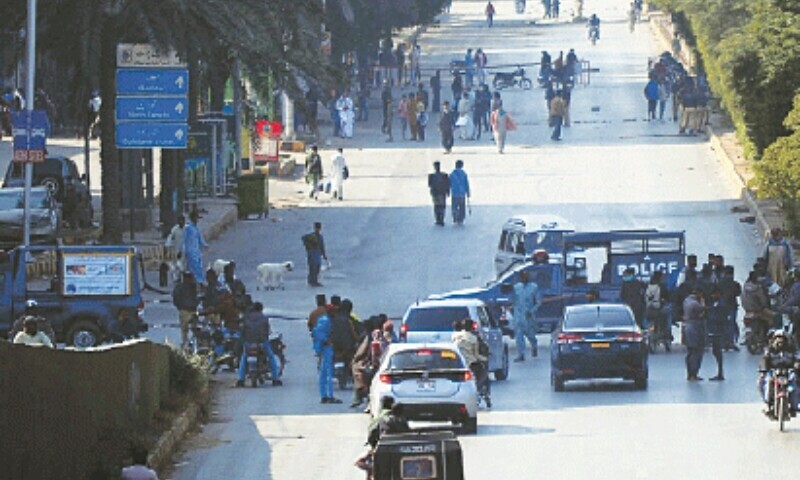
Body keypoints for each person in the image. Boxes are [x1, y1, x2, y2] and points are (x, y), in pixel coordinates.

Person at [236, 302, 283, 387]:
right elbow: (267, 331)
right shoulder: (264, 318)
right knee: (271, 356)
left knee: (244, 358)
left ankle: (240, 379)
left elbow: (242, 331)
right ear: (261, 309)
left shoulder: (246, 317)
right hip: (261, 342)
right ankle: (275, 379)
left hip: (248, 342)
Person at [758, 329, 800, 418]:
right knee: (765, 382)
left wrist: (797, 365)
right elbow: (764, 359)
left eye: (782, 338)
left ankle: (794, 406)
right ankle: (767, 404)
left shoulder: (792, 349)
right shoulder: (769, 349)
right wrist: (763, 371)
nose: (780, 340)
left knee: (794, 384)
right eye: (777, 338)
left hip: (788, 371)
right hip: (773, 371)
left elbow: (797, 358)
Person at [452, 319, 491, 406]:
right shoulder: (473, 338)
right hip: (471, 364)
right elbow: (476, 355)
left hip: (458, 363)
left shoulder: (455, 336)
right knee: (484, 376)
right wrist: (485, 359)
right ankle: (485, 393)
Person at [313, 304, 340, 403]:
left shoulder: (325, 319)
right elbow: (318, 333)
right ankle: (329, 396)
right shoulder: (325, 320)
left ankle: (324, 395)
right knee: (328, 372)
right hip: (326, 348)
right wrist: (327, 341)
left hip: (324, 347)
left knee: (324, 373)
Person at [512, 270, 541, 361]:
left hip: (528, 316)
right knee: (519, 336)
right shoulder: (516, 288)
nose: (525, 278)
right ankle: (521, 354)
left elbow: (538, 302)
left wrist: (532, 311)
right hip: (518, 316)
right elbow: (514, 301)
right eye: (523, 276)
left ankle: (534, 345)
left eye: (527, 276)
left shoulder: (533, 287)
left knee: (530, 335)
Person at [742, 270, 775, 339]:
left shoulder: (745, 286)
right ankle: (768, 336)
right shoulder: (757, 288)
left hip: (747, 310)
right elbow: (763, 300)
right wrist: (764, 306)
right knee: (772, 317)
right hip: (758, 310)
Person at [683, 286, 706, 381]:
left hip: (687, 327)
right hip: (695, 328)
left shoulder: (686, 301)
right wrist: (703, 300)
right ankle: (694, 373)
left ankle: (689, 374)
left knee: (690, 352)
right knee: (697, 352)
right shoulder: (695, 303)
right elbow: (703, 309)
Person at [717, 265, 742, 350]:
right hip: (732, 306)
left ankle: (723, 342)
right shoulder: (735, 284)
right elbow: (738, 293)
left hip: (722, 306)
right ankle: (730, 342)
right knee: (731, 323)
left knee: (723, 324)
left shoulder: (720, 283)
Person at [172, 272, 199, 348]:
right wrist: (180, 307)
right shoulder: (179, 287)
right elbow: (176, 299)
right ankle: (185, 342)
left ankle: (193, 341)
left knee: (194, 328)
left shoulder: (194, 286)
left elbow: (197, 296)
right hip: (184, 310)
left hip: (192, 309)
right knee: (184, 328)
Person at [181, 210, 208, 286]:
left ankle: (197, 281)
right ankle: (200, 281)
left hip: (197, 251)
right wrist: (183, 250)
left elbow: (200, 238)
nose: (197, 220)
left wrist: (205, 245)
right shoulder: (188, 228)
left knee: (198, 266)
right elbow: (183, 239)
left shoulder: (196, 229)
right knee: (195, 267)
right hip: (190, 251)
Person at [705, 288, 727, 381]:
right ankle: (719, 372)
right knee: (716, 351)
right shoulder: (715, 304)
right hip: (714, 330)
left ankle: (720, 373)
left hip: (717, 330)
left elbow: (719, 317)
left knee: (717, 351)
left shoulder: (721, 305)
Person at [302, 222, 328, 287]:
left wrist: (324, 255)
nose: (318, 229)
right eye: (317, 228)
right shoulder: (311, 236)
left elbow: (322, 246)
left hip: (316, 254)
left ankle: (313, 281)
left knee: (317, 267)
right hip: (312, 254)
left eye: (318, 228)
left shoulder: (320, 237)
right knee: (313, 267)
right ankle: (312, 281)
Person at [428, 161, 450, 226]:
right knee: (442, 206)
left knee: (436, 206)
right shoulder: (444, 175)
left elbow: (429, 185)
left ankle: (438, 219)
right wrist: (448, 191)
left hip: (435, 193)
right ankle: (441, 219)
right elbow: (447, 184)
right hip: (442, 193)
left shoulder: (431, 176)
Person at [165, 214, 186, 280]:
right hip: (177, 251)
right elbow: (170, 238)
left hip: (186, 251)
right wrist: (167, 246)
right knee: (178, 266)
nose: (181, 222)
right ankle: (177, 279)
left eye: (182, 221)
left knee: (185, 266)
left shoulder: (187, 229)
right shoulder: (175, 229)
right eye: (179, 221)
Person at [449, 160, 470, 225]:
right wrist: (468, 192)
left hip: (455, 193)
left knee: (454, 206)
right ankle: (461, 218)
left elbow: (449, 183)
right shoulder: (464, 174)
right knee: (462, 207)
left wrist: (448, 191)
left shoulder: (452, 174)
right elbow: (466, 184)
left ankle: (455, 216)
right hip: (462, 193)